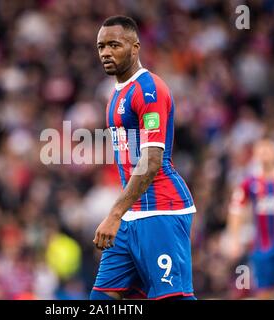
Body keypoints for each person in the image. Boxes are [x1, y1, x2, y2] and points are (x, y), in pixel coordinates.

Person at [90, 15, 197, 300]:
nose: (106, 52)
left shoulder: (149, 90)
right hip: (132, 214)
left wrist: (114, 213)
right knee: (101, 298)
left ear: (135, 47)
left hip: (161, 210)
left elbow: (151, 161)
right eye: (101, 47)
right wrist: (121, 213)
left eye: (114, 45)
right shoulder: (116, 93)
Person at [227, 138, 274, 299]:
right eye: (261, 150)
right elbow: (235, 210)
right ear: (255, 155)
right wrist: (234, 239)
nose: (265, 154)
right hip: (261, 247)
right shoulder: (249, 182)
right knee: (264, 294)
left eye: (268, 150)